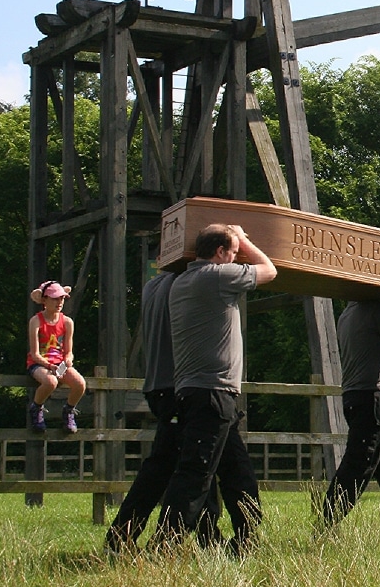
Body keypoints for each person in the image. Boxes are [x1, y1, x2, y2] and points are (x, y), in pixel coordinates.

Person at [154, 223, 276, 554]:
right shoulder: (217, 276)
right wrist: (245, 239)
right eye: (233, 253)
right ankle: (166, 543)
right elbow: (269, 270)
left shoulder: (181, 282)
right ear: (220, 252)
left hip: (201, 393)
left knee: (237, 470)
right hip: (212, 392)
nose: (236, 258)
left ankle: (246, 539)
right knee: (196, 472)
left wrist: (235, 240)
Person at [105, 267, 224, 553]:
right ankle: (147, 538)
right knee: (187, 464)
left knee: (181, 462)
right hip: (179, 386)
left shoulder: (153, 286)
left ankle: (206, 537)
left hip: (160, 386)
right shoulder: (188, 283)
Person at [321, 298, 380, 528]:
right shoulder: (375, 310)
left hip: (355, 396)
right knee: (359, 463)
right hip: (373, 398)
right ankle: (326, 522)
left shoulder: (347, 313)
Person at [26, 280, 87, 433]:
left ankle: (69, 411)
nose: (59, 302)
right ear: (44, 300)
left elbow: (68, 351)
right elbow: (35, 354)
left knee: (80, 384)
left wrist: (68, 360)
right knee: (50, 382)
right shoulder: (36, 321)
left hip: (59, 363)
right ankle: (36, 408)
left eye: (61, 298)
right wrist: (49, 366)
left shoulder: (67, 322)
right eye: (55, 298)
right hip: (39, 363)